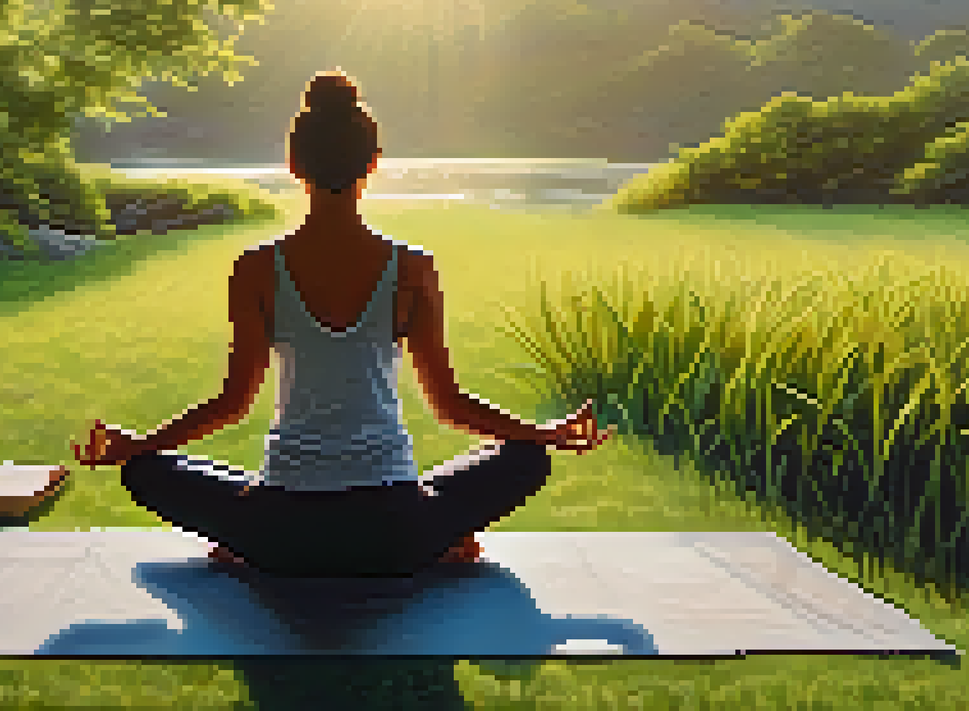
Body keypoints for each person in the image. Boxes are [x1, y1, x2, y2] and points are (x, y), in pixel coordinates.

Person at [75, 68, 615, 578]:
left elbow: (233, 404)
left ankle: (244, 541)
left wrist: (138, 444)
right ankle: (443, 538)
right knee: (525, 459)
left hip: (279, 534)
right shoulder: (412, 268)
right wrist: (542, 434)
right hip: (397, 532)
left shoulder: (257, 269)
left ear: (293, 164)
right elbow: (447, 404)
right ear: (373, 163)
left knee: (145, 471)